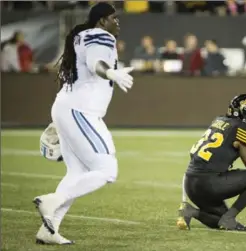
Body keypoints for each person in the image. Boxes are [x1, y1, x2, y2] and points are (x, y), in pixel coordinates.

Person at [33, 2, 134, 245]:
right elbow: (95, 63)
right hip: (82, 111)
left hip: (69, 108)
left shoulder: (82, 36)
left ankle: (49, 230)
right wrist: (110, 73)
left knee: (77, 172)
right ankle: (52, 200)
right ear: (101, 21)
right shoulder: (100, 35)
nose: (117, 22)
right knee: (107, 170)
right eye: (113, 18)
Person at [177, 94, 246, 231]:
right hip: (209, 183)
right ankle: (230, 217)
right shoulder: (241, 128)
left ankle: (190, 211)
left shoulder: (218, 121)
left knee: (221, 222)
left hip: (191, 183)